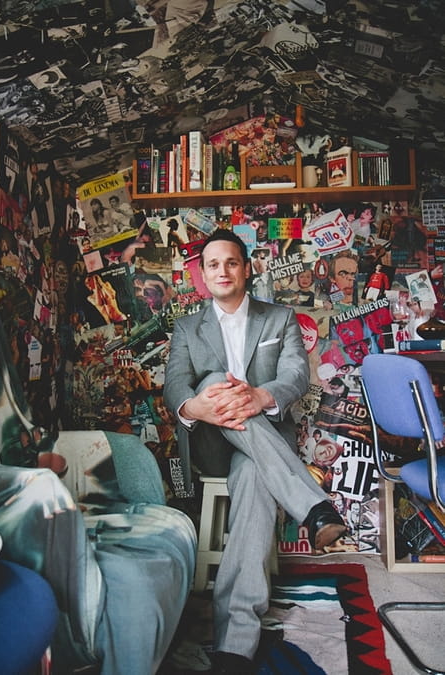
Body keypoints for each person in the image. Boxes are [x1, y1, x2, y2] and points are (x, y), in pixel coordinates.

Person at [163, 228, 346, 675]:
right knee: (209, 383)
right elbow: (173, 386)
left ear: (247, 268)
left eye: (231, 262)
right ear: (202, 275)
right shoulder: (188, 327)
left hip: (260, 447)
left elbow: (294, 377)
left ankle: (233, 647)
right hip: (210, 444)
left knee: (252, 475)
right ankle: (316, 508)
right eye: (212, 264)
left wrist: (259, 398)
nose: (222, 270)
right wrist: (196, 406)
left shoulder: (279, 317)